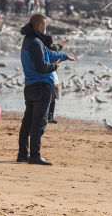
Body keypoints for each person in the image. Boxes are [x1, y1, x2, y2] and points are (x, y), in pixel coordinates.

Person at [17, 14, 73, 166]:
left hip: (30, 86)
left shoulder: (29, 40)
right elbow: (41, 66)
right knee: (38, 123)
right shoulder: (35, 42)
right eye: (44, 26)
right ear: (40, 26)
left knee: (28, 122)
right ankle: (34, 156)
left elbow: (48, 54)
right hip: (41, 86)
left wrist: (64, 56)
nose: (45, 29)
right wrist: (55, 66)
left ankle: (23, 155)